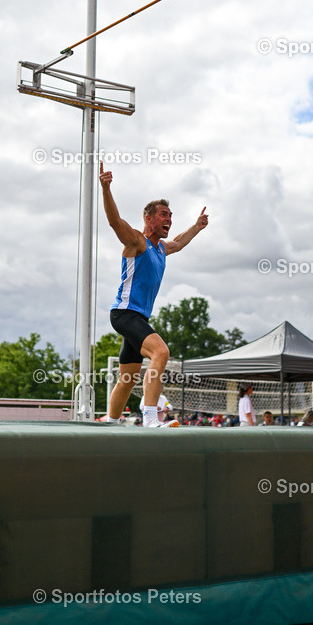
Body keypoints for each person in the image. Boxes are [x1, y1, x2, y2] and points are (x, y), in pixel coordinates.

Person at [98, 161, 208, 428]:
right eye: (163, 215)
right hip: (124, 314)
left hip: (138, 318)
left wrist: (197, 226)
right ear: (149, 219)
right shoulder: (137, 241)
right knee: (161, 352)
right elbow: (114, 222)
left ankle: (110, 423)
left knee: (128, 378)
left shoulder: (161, 249)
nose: (169, 219)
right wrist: (106, 189)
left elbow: (179, 242)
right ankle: (150, 418)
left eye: (170, 216)